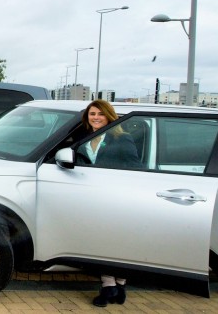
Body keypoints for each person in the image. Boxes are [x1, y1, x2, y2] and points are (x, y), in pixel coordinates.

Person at [76, 99, 140, 308]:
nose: (95, 117)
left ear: (109, 116)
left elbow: (133, 168)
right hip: (93, 197)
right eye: (92, 114)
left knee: (115, 242)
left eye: (100, 114)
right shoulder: (86, 138)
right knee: (102, 240)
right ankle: (118, 287)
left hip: (116, 197)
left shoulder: (122, 139)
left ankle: (110, 286)